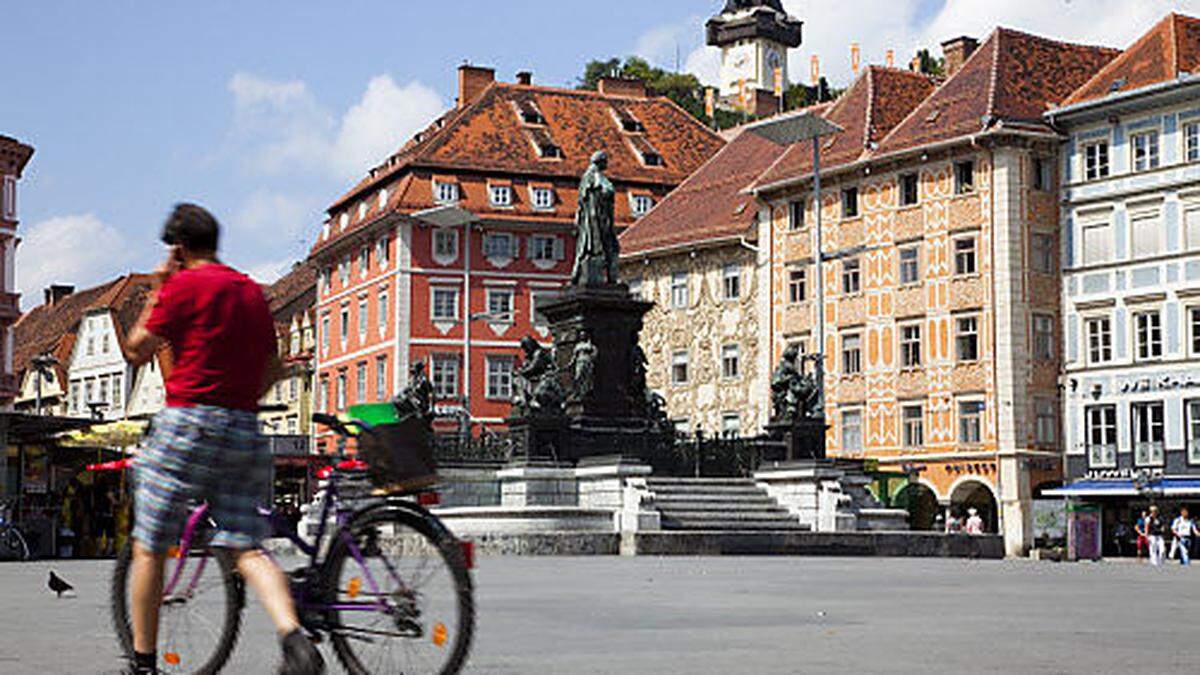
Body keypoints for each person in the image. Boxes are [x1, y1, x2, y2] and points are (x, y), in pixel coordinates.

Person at [120, 204, 324, 674]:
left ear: (179, 247)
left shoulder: (183, 286)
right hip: (243, 429)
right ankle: (293, 638)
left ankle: (144, 664)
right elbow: (275, 365)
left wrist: (158, 288)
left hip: (187, 423)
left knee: (150, 544)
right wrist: (244, 399)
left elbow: (136, 348)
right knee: (246, 547)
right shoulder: (251, 292)